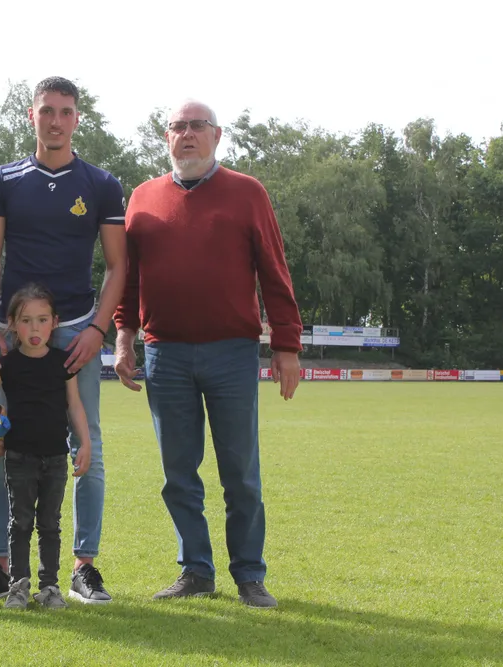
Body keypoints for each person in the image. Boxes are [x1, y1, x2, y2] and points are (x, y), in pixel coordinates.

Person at [112, 99, 303, 608]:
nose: (188, 134)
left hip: (231, 353)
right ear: (167, 137)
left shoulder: (247, 193)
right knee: (178, 473)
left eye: (198, 126)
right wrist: (124, 336)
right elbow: (128, 280)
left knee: (240, 472)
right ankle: (195, 570)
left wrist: (286, 344)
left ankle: (249, 574)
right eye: (178, 126)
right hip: (165, 353)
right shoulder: (143, 198)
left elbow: (274, 270)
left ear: (217, 136)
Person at [0, 76, 126, 604]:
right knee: (3, 440)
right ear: (31, 115)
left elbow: (119, 265)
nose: (56, 121)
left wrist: (98, 329)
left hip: (76, 330)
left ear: (77, 118)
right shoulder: (2, 181)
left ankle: (83, 566)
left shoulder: (101, 184)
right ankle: (0, 566)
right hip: (16, 330)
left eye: (66, 111)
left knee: (86, 443)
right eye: (47, 110)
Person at [0, 283, 92, 609]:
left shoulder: (63, 363)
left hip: (55, 458)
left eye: (42, 320)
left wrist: (85, 444)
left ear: (54, 322)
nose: (34, 329)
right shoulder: (7, 365)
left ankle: (50, 587)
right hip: (19, 457)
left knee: (50, 525)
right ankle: (19, 586)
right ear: (13, 324)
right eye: (26, 321)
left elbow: (75, 406)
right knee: (21, 523)